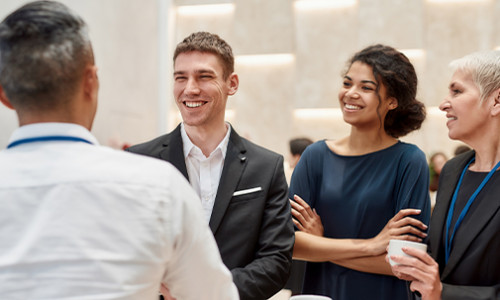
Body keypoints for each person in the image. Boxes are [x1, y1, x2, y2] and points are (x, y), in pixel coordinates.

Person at [0, 2, 238, 299]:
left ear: (4, 95)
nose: (190, 88)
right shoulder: (159, 186)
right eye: (181, 77)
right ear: (91, 82)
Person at [126, 31, 294, 300]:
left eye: (204, 76)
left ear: (232, 83)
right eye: (181, 77)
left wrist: (209, 293)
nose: (190, 88)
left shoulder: (267, 166)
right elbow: (125, 245)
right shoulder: (140, 160)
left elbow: (276, 260)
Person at [289, 44, 431, 300]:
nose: (350, 94)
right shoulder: (315, 157)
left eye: (366, 87)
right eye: (347, 83)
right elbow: (291, 245)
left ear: (392, 101)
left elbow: (405, 264)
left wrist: (322, 245)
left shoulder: (409, 161)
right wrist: (371, 246)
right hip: (322, 294)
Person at [389, 50, 500, 300]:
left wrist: (443, 293)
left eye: (457, 91)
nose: (443, 104)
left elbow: (440, 286)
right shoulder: (453, 169)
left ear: (496, 101)